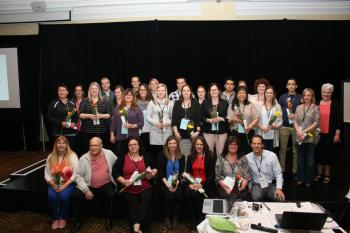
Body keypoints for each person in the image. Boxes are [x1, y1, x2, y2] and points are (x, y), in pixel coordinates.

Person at [70, 137, 117, 233]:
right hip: (88, 184)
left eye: (96, 145)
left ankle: (109, 219)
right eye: (91, 145)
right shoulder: (84, 158)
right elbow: (77, 176)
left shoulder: (109, 154)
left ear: (101, 146)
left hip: (105, 183)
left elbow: (118, 164)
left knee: (111, 194)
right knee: (75, 195)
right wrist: (85, 190)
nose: (93, 147)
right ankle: (78, 220)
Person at [113, 137, 157, 233]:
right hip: (128, 187)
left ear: (139, 145)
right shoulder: (122, 157)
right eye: (130, 145)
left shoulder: (147, 156)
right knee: (132, 204)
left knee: (146, 199)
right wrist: (123, 181)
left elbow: (155, 168)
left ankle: (136, 226)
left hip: (145, 185)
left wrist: (152, 173)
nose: (133, 146)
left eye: (135, 144)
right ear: (127, 147)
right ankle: (139, 226)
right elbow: (115, 173)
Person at [44, 136, 78, 229]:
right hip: (54, 183)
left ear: (67, 145)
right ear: (56, 145)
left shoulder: (72, 156)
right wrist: (53, 184)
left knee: (63, 197)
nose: (61, 145)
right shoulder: (50, 156)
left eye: (63, 143)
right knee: (51, 197)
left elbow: (76, 174)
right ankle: (56, 218)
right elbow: (47, 174)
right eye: (59, 143)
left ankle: (63, 218)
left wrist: (64, 186)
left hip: (68, 183)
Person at [184, 136, 215, 230]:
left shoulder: (209, 157)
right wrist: (190, 183)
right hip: (193, 183)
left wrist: (201, 185)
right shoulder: (190, 157)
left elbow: (211, 176)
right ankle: (193, 218)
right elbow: (188, 173)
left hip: (205, 184)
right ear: (194, 145)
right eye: (197, 144)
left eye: (201, 144)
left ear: (204, 145)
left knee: (194, 195)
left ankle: (199, 218)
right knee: (187, 192)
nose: (199, 146)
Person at [244, 135, 285, 202]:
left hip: (271, 184)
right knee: (255, 198)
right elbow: (245, 174)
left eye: (258, 143)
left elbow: (279, 174)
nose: (256, 145)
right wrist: (249, 186)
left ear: (262, 145)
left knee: (281, 199)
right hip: (257, 184)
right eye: (254, 143)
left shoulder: (272, 156)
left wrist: (279, 188)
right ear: (251, 145)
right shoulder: (247, 158)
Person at [315, 83, 341, 184]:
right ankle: (319, 174)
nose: (326, 94)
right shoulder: (316, 103)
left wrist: (337, 134)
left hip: (330, 134)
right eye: (324, 92)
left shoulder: (335, 104)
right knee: (319, 154)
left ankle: (327, 175)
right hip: (317, 134)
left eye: (328, 92)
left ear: (331, 93)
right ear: (321, 92)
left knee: (328, 155)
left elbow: (339, 121)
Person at [157, 136, 185, 229]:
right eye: (170, 143)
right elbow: (160, 172)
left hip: (176, 181)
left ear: (177, 145)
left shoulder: (182, 156)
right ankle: (166, 218)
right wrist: (168, 185)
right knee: (168, 196)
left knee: (179, 196)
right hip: (164, 181)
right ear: (167, 145)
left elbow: (181, 172)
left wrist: (175, 185)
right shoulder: (162, 155)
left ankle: (176, 218)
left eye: (174, 143)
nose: (172, 145)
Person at [215, 136, 250, 209]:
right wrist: (226, 188)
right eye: (231, 144)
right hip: (225, 186)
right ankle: (231, 212)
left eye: (235, 144)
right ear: (227, 145)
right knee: (226, 195)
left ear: (238, 146)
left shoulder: (243, 158)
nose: (233, 146)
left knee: (242, 195)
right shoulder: (221, 158)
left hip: (240, 185)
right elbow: (218, 177)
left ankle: (233, 211)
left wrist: (242, 187)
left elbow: (246, 175)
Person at [294, 88, 320, 187]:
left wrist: (304, 131)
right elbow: (295, 121)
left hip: (310, 137)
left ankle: (309, 179)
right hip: (299, 137)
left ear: (312, 97)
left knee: (310, 161)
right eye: (305, 95)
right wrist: (299, 132)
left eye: (309, 95)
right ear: (303, 97)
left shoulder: (315, 107)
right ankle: (300, 178)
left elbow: (316, 123)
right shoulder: (298, 107)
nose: (306, 97)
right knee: (300, 160)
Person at [79, 82, 113, 151]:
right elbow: (80, 115)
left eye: (96, 88)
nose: (94, 90)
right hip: (87, 132)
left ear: (99, 90)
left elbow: (109, 114)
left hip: (101, 132)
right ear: (90, 90)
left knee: (101, 151)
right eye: (92, 88)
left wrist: (101, 116)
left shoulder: (105, 101)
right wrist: (89, 115)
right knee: (88, 151)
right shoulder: (84, 101)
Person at [278, 78, 302, 176]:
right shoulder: (282, 97)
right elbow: (278, 111)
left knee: (295, 150)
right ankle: (281, 170)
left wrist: (295, 116)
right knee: (282, 150)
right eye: (289, 84)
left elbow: (303, 112)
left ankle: (295, 171)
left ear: (296, 86)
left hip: (296, 127)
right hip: (284, 126)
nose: (291, 86)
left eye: (293, 84)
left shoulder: (300, 97)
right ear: (286, 86)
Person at [110, 89, 144, 157]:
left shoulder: (137, 108)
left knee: (133, 156)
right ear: (123, 96)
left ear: (133, 97)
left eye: (130, 95)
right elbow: (113, 122)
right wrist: (112, 134)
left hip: (133, 137)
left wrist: (132, 125)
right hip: (120, 137)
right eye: (126, 95)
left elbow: (141, 123)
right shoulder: (118, 108)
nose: (128, 96)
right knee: (120, 157)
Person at [172, 85, 201, 161]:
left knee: (190, 157)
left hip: (192, 136)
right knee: (180, 157)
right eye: (184, 91)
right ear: (181, 92)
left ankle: (188, 172)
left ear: (191, 92)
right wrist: (176, 132)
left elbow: (199, 119)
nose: (186, 92)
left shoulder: (196, 103)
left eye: (188, 90)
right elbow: (174, 119)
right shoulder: (177, 103)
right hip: (180, 136)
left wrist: (197, 132)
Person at [146, 83, 174, 164]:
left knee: (167, 156)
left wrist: (167, 123)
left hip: (167, 132)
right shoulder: (152, 102)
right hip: (155, 132)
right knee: (156, 155)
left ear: (166, 91)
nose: (161, 92)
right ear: (156, 91)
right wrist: (156, 123)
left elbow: (173, 118)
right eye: (159, 90)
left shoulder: (170, 103)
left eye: (163, 90)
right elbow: (148, 117)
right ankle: (157, 174)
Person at [227, 86, 258, 155]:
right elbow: (228, 121)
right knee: (236, 152)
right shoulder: (231, 105)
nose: (242, 95)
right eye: (239, 93)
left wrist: (250, 126)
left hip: (248, 132)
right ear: (236, 94)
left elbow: (256, 118)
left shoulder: (251, 104)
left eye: (244, 93)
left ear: (246, 94)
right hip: (235, 133)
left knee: (248, 152)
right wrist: (234, 119)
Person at [47, 84, 78, 150]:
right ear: (57, 92)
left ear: (67, 92)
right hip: (58, 133)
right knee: (59, 152)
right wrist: (60, 123)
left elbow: (75, 115)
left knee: (70, 151)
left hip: (70, 132)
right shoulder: (53, 103)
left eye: (63, 90)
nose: (61, 92)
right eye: (59, 90)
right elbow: (49, 117)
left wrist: (74, 123)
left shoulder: (72, 103)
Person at [201, 83, 229, 156]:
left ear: (219, 91)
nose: (214, 91)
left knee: (221, 154)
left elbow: (229, 116)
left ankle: (220, 168)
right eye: (212, 90)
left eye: (215, 89)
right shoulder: (205, 102)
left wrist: (222, 118)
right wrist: (208, 120)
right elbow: (201, 116)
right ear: (209, 92)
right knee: (209, 154)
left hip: (222, 132)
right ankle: (210, 167)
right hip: (208, 132)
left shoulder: (225, 102)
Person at [256, 86, 283, 152]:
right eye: (267, 92)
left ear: (273, 94)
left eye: (271, 93)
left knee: (271, 154)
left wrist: (276, 126)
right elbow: (255, 119)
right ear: (264, 94)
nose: (269, 94)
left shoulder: (277, 106)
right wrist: (261, 127)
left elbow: (280, 120)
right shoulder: (259, 105)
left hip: (272, 134)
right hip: (261, 133)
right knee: (260, 153)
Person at [137, 84, 153, 154]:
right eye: (141, 90)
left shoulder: (153, 102)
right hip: (140, 132)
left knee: (151, 152)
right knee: (142, 152)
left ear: (147, 91)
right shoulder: (135, 103)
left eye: (144, 90)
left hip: (152, 132)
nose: (142, 91)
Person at [72, 84, 85, 156]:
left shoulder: (87, 101)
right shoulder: (71, 102)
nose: (78, 92)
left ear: (82, 92)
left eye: (80, 90)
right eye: (77, 90)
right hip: (74, 127)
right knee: (75, 147)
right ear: (75, 92)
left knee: (84, 147)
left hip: (84, 127)